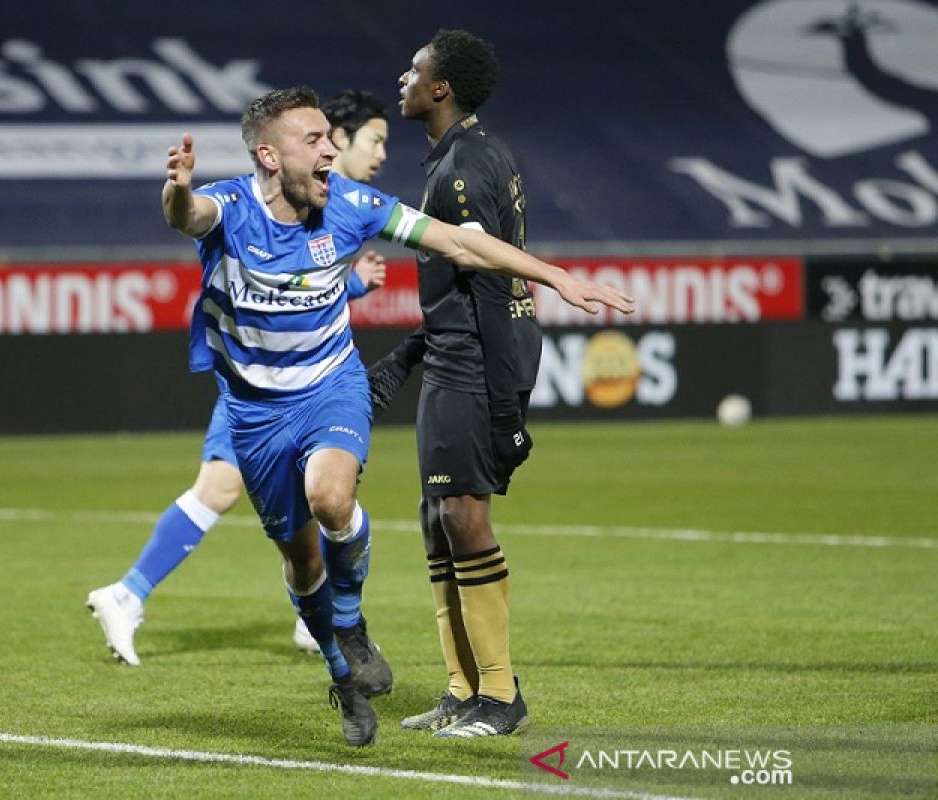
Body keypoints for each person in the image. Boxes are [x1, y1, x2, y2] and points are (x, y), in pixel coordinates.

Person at [159, 85, 631, 746]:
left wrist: (555, 276)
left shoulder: (351, 204)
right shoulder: (233, 207)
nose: (331, 148)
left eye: (331, 137)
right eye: (314, 140)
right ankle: (339, 665)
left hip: (330, 388)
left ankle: (349, 619)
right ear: (269, 155)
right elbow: (187, 214)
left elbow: (458, 244)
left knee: (329, 497)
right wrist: (177, 189)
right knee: (299, 563)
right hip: (255, 412)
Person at [85, 91, 394, 700]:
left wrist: (352, 285)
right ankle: (128, 592)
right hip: (263, 392)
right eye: (374, 140)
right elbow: (228, 242)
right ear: (339, 137)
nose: (380, 154)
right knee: (224, 489)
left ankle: (136, 594)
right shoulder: (293, 195)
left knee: (258, 494)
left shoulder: (338, 202)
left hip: (299, 384)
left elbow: (303, 286)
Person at [370, 29, 568, 739]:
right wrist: (407, 355)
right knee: (438, 517)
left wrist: (507, 405)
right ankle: (462, 690)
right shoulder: (466, 157)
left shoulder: (461, 169)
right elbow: (461, 288)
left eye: (415, 68)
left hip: (476, 366)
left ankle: (500, 696)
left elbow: (492, 290)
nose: (405, 76)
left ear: (441, 87)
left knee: (464, 516)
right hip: (456, 357)